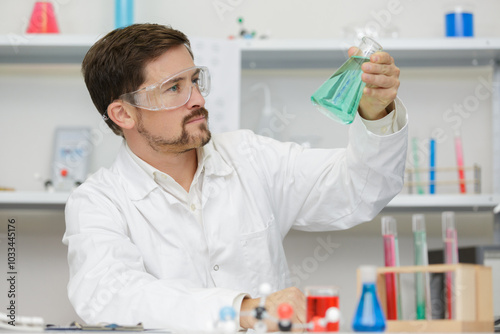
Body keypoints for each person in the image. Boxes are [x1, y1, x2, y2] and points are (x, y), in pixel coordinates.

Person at [63, 23, 407, 331]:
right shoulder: (98, 202)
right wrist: (245, 310)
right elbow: (110, 294)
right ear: (123, 113)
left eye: (195, 81)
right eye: (173, 88)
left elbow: (361, 189)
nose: (197, 99)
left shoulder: (250, 157)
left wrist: (376, 113)